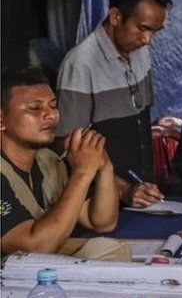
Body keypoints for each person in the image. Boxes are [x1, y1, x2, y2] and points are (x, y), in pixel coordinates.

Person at [56, 0, 171, 208]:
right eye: (143, 28)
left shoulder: (141, 52)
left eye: (155, 31)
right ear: (116, 16)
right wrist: (123, 189)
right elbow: (67, 145)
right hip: (100, 202)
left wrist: (142, 186)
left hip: (141, 194)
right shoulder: (80, 64)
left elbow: (141, 123)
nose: (148, 40)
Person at [1, 67, 119, 255]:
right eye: (35, 108)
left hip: (33, 277)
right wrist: (82, 172)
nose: (52, 115)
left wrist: (104, 167)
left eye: (53, 106)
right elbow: (35, 248)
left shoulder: (48, 160)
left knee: (112, 250)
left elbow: (102, 222)